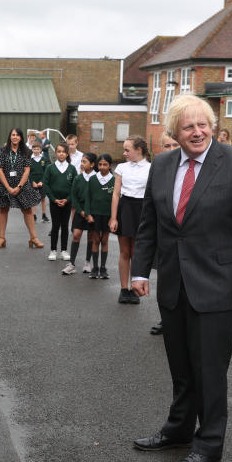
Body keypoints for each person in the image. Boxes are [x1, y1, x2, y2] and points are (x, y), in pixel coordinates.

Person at [130, 94, 232, 462]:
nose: (197, 132)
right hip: (174, 284)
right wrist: (140, 271)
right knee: (181, 365)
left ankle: (208, 443)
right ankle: (178, 429)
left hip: (219, 286)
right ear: (174, 131)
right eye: (189, 126)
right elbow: (150, 225)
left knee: (210, 369)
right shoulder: (161, 165)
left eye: (203, 124)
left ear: (212, 126)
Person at [109, 136, 151, 303]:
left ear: (139, 150)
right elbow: (115, 194)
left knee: (136, 252)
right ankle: (123, 288)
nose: (124, 153)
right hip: (125, 209)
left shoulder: (151, 168)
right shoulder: (121, 168)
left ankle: (135, 288)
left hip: (142, 209)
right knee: (125, 251)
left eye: (127, 150)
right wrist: (113, 218)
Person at [149, 133, 181, 335]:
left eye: (175, 145)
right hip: (165, 237)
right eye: (166, 146)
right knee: (165, 280)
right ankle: (166, 318)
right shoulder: (160, 167)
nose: (171, 150)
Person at [0, 127, 44, 249]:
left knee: (27, 210)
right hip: (4, 186)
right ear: (10, 137)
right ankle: (1, 238)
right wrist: (8, 187)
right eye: (13, 135)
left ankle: (34, 238)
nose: (15, 137)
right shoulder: (3, 151)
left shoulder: (26, 151)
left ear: (21, 137)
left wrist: (19, 186)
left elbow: (27, 170)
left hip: (22, 186)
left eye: (17, 135)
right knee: (3, 210)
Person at [63, 152, 97, 275]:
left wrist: (89, 214)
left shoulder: (97, 178)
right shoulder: (78, 178)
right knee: (76, 235)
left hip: (92, 213)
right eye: (81, 161)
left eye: (84, 162)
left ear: (92, 164)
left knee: (91, 237)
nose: (81, 164)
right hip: (80, 212)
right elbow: (74, 196)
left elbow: (97, 198)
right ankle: (71, 264)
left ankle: (88, 262)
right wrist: (81, 211)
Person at [44, 142, 76, 263]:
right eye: (59, 151)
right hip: (54, 202)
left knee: (65, 226)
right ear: (56, 153)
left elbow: (74, 186)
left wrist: (67, 199)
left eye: (63, 151)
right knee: (55, 226)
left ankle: (63, 250)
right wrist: (54, 199)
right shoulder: (50, 168)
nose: (61, 154)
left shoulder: (72, 169)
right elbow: (46, 185)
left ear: (67, 153)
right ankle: (53, 250)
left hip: (67, 203)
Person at [85, 154, 115, 279]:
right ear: (97, 165)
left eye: (105, 164)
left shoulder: (114, 180)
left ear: (110, 165)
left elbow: (116, 200)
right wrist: (88, 214)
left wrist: (113, 217)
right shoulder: (92, 179)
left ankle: (103, 268)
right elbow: (88, 198)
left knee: (105, 240)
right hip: (95, 215)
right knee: (96, 240)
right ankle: (95, 267)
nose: (102, 167)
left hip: (107, 216)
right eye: (100, 164)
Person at [29, 142, 49, 222]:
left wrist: (42, 181)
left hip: (42, 182)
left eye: (38, 149)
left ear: (41, 150)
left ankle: (44, 215)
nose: (36, 150)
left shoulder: (44, 159)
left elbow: (46, 172)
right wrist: (32, 182)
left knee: (43, 199)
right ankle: (33, 215)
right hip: (33, 182)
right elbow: (28, 172)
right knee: (33, 199)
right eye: (34, 149)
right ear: (32, 149)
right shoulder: (29, 159)